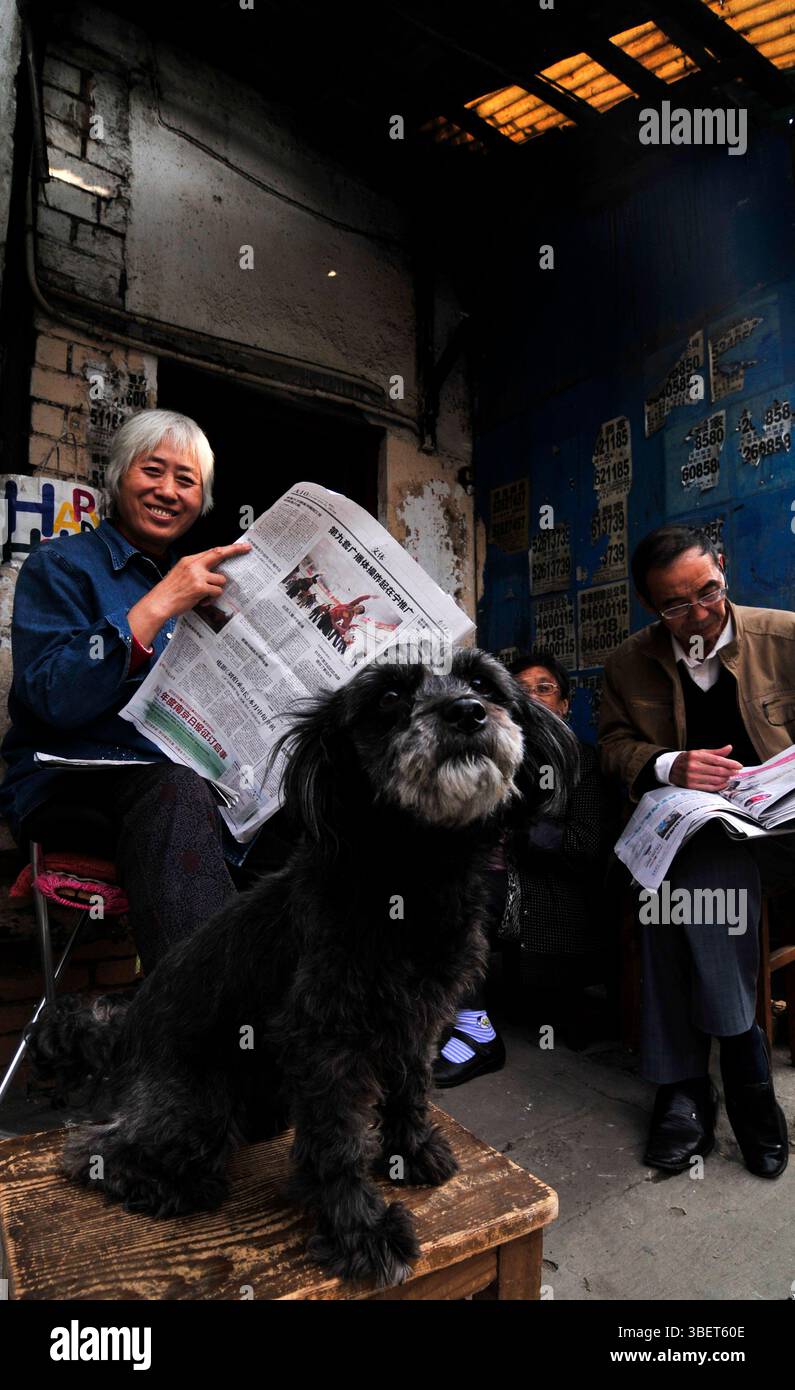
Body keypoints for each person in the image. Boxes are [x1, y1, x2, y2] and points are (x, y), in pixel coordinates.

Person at [0, 409, 287, 974]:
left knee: (317, 804)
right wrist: (154, 608)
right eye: (152, 470)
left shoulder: (203, 588)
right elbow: (53, 699)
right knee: (178, 790)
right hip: (76, 781)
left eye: (187, 480)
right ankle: (204, 1023)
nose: (167, 490)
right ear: (118, 476)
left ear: (201, 500)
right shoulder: (60, 566)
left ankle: (308, 1012)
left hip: (189, 781)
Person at [598, 523, 791, 1179]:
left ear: (723, 568)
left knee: (685, 883)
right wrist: (668, 765)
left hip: (783, 836)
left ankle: (685, 1087)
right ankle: (742, 1070)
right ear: (651, 608)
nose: (698, 613)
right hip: (700, 835)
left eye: (707, 591)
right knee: (681, 877)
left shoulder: (782, 637)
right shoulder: (630, 661)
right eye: (675, 607)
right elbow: (612, 747)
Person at [433, 649, 611, 1086]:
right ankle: (452, 1017)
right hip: (486, 874)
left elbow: (586, 846)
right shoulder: (489, 753)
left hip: (543, 889)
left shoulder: (581, 762)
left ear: (565, 705)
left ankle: (477, 1034)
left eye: (545, 689)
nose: (532, 697)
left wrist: (519, 825)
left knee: (455, 901)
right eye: (521, 690)